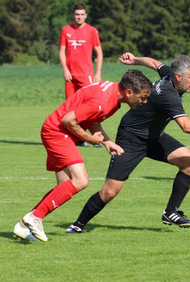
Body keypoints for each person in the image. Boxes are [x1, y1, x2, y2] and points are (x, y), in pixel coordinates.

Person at [65, 52, 190, 233]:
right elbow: (187, 126)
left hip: (154, 137)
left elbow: (155, 63)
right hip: (131, 139)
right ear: (178, 77)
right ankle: (78, 225)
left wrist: (135, 60)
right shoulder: (168, 94)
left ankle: (170, 212)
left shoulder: (169, 75)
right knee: (110, 191)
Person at [12, 70, 152, 242]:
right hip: (57, 132)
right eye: (143, 97)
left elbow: (91, 118)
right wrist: (89, 138)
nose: (144, 101)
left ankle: (24, 225)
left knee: (63, 187)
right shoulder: (102, 101)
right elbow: (68, 120)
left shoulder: (112, 96)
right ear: (129, 92)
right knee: (81, 180)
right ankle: (35, 218)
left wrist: (107, 142)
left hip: (60, 132)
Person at [59, 3, 103, 147]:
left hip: (86, 75)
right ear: (73, 15)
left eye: (82, 14)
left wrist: (97, 73)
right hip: (70, 76)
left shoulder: (92, 31)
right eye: (77, 14)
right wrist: (65, 69)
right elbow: (61, 51)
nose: (79, 17)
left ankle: (96, 137)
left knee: (90, 106)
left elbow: (99, 52)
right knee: (71, 108)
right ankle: (78, 138)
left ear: (86, 15)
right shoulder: (66, 30)